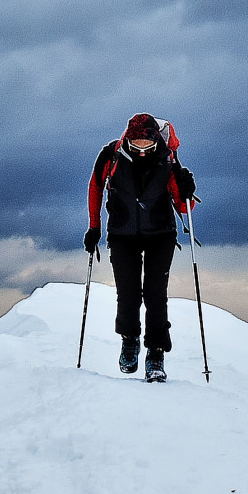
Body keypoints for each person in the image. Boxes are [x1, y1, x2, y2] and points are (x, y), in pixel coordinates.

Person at [84, 113, 197, 382]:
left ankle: (155, 353)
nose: (142, 149)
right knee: (128, 292)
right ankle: (130, 339)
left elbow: (183, 208)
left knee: (156, 294)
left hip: (161, 233)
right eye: (137, 144)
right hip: (122, 233)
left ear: (155, 139)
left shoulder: (167, 160)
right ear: (128, 138)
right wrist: (94, 227)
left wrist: (186, 191)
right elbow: (96, 187)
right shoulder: (111, 156)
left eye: (147, 144)